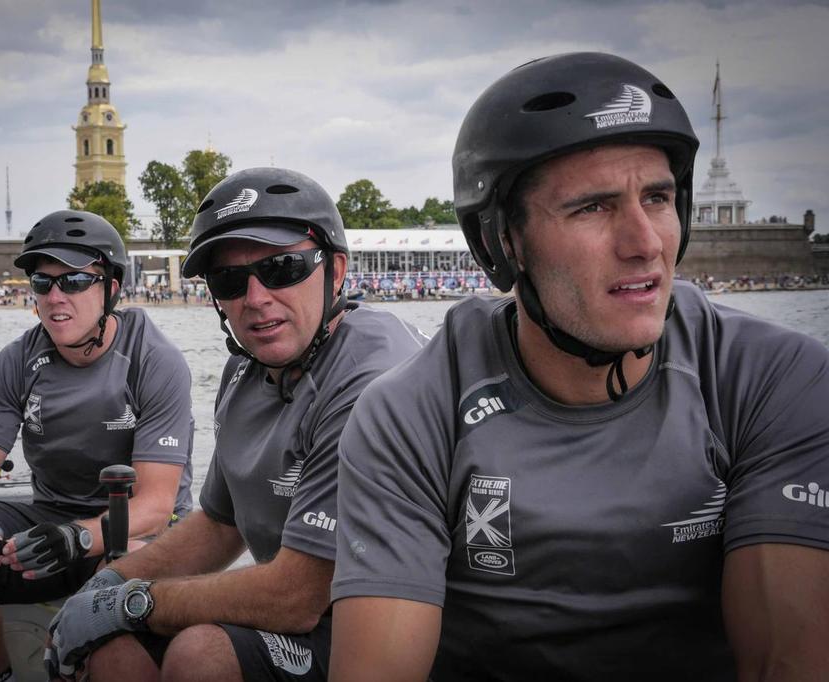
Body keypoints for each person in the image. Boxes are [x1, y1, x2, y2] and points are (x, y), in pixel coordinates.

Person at [329, 52, 829, 682]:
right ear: (501, 242)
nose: (644, 242)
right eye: (592, 207)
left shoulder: (777, 380)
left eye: (658, 196)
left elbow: (786, 661)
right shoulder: (409, 412)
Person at [45, 167, 428, 682]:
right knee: (109, 645)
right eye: (228, 279)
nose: (255, 298)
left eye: (283, 268)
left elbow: (297, 595)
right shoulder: (247, 366)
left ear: (336, 270)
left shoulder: (374, 377)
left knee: (199, 654)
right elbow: (221, 523)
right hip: (308, 614)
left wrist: (132, 601)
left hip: (391, 631)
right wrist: (107, 585)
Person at [0, 209, 194, 682]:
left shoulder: (155, 360)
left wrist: (78, 537)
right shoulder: (16, 362)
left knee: (120, 563)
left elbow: (154, 504)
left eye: (72, 281)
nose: (55, 297)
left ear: (111, 286)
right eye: (42, 283)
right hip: (49, 526)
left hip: (138, 532)